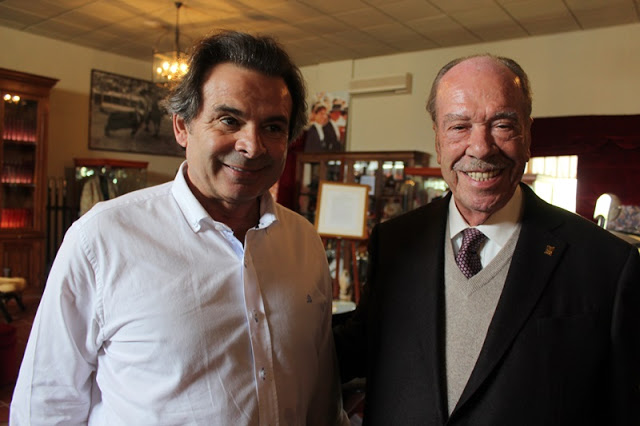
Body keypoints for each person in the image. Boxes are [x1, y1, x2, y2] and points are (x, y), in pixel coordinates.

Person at [11, 31, 348, 426]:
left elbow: (321, 394)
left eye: (273, 127)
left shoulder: (304, 243)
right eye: (229, 120)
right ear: (182, 127)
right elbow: (45, 404)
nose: (252, 145)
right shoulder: (101, 239)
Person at [334, 54, 640, 425]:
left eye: (502, 124)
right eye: (459, 126)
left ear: (528, 134)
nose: (480, 148)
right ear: (438, 138)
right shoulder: (396, 241)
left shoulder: (606, 263)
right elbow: (359, 349)